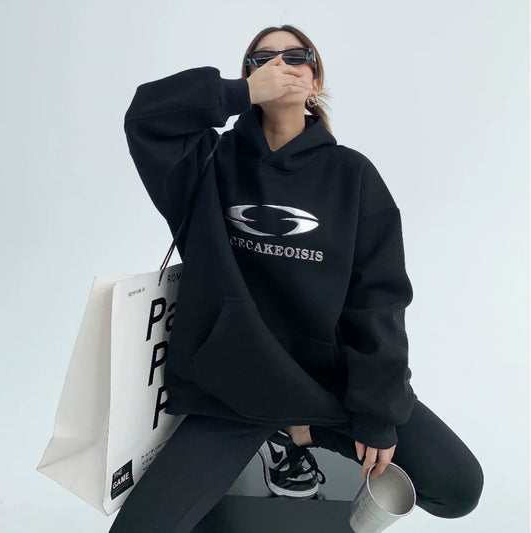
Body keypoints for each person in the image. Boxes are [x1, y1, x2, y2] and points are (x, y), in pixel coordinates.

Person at [109, 24, 483, 533]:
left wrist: (376, 413)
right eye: (262, 59)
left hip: (329, 387)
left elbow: (377, 302)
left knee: (459, 486)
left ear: (315, 79)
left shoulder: (353, 175)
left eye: (296, 56)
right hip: (234, 393)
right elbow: (146, 115)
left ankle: (300, 432)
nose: (280, 65)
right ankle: (279, 430)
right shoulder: (207, 164)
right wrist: (238, 94)